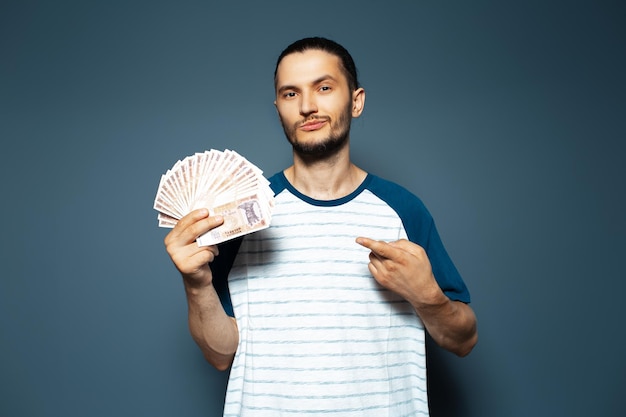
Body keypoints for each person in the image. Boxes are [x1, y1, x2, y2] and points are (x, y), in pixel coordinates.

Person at [164, 37, 477, 416]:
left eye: (324, 88)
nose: (308, 106)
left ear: (356, 101)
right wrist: (196, 284)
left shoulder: (403, 210)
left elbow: (463, 339)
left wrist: (427, 297)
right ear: (278, 107)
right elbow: (219, 354)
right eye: (291, 93)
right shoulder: (243, 215)